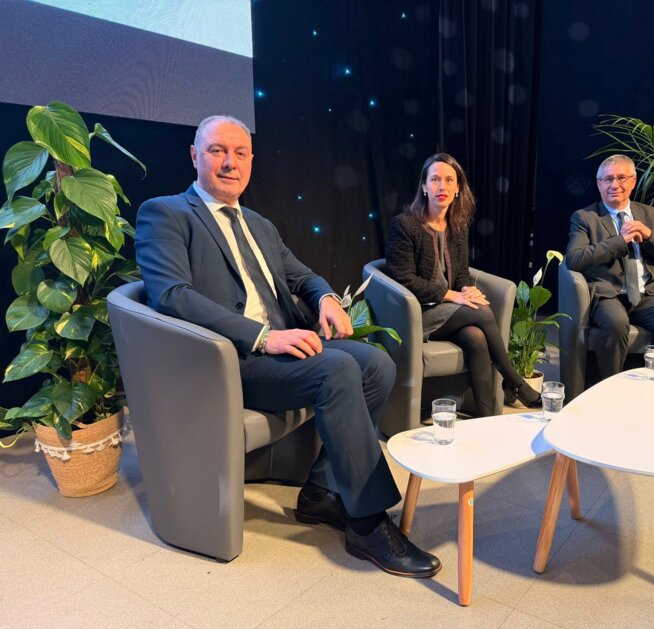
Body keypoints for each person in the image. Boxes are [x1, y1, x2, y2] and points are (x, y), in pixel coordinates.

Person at [134, 115, 440, 578]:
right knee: (337, 371)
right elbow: (171, 295)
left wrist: (327, 299)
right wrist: (260, 335)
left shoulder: (257, 222)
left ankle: (320, 492)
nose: (229, 163)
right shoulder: (166, 213)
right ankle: (367, 522)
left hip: (282, 349)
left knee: (376, 364)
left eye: (240, 153)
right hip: (230, 359)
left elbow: (301, 275)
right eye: (217, 150)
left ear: (252, 161)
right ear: (195, 155)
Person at [385, 152, 541, 416]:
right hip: (416, 313)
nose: (442, 186)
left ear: (458, 189)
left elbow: (460, 275)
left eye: (449, 180)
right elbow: (404, 279)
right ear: (424, 186)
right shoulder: (405, 225)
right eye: (434, 179)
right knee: (480, 311)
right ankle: (514, 382)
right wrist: (451, 295)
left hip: (448, 312)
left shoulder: (457, 226)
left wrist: (467, 289)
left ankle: (487, 417)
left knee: (476, 336)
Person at [565, 154, 654, 379]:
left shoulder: (651, 215)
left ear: (633, 181)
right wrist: (620, 241)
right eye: (608, 179)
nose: (615, 185)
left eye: (621, 178)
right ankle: (609, 388)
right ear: (599, 184)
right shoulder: (585, 218)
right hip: (609, 295)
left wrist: (649, 235)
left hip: (648, 295)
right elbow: (574, 259)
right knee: (615, 322)